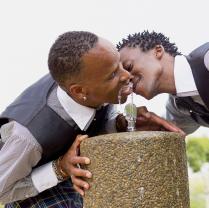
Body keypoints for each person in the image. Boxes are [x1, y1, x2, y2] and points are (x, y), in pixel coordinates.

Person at [0, 31, 182, 208]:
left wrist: (120, 123)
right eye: (113, 75)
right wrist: (60, 168)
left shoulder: (91, 77)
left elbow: (101, 117)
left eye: (120, 64)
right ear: (79, 91)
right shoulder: (26, 138)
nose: (127, 75)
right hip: (30, 192)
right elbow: (2, 190)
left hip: (74, 178)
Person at [117, 31, 209, 134]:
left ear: (158, 51)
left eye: (128, 66)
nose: (126, 78)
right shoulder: (179, 106)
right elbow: (167, 131)